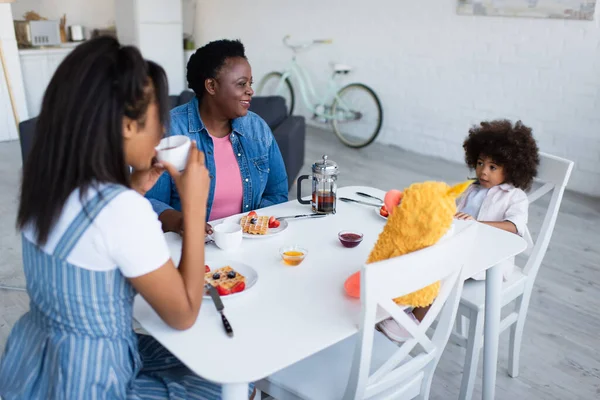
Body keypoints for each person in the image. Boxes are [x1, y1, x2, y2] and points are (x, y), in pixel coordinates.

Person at [0, 36, 254, 399]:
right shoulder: (120, 210)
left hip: (38, 362)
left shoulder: (48, 183)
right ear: (126, 125)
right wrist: (193, 207)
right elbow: (183, 315)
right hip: (94, 382)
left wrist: (133, 187)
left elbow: (93, 231)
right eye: (157, 118)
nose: (163, 131)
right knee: (229, 381)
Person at [377, 119, 540, 343]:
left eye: (493, 167)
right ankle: (398, 304)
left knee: (442, 269)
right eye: (480, 163)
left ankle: (415, 321)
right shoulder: (472, 189)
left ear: (511, 168)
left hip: (490, 261)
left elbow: (514, 227)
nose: (483, 171)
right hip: (462, 245)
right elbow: (456, 215)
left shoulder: (515, 197)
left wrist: (475, 223)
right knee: (417, 251)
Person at [145, 39, 288, 235]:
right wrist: (182, 223)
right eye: (241, 84)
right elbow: (149, 202)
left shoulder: (257, 129)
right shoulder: (170, 130)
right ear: (211, 86)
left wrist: (251, 228)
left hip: (248, 242)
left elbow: (277, 193)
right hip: (186, 245)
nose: (250, 90)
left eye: (250, 83)